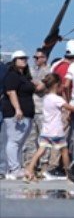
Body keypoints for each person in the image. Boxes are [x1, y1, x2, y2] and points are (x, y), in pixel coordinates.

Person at [23, 73, 69, 181]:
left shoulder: (46, 98)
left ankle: (29, 170)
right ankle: (68, 173)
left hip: (46, 130)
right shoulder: (58, 99)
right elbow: (71, 108)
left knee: (40, 150)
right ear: (57, 85)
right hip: (57, 131)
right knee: (64, 151)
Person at [3, 49, 35, 178]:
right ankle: (13, 168)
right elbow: (11, 92)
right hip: (15, 113)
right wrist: (17, 108)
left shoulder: (24, 76)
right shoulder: (12, 75)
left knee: (20, 142)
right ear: (14, 61)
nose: (24, 60)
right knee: (14, 140)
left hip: (27, 113)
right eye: (21, 58)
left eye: (25, 58)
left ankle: (17, 166)